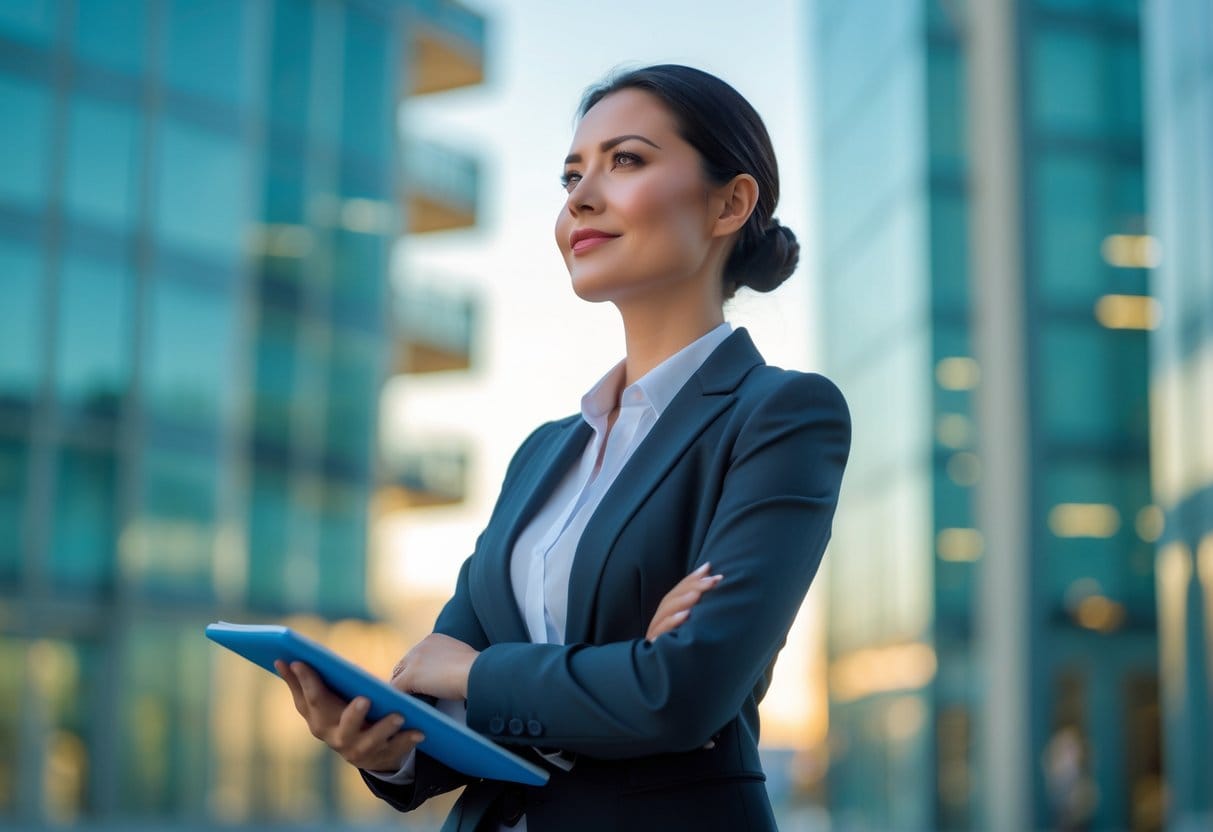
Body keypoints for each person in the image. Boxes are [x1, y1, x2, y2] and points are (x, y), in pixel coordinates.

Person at [275, 64, 850, 831]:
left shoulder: (780, 414)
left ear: (729, 203)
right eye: (571, 173)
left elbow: (677, 696)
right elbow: (446, 696)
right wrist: (390, 749)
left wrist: (483, 673)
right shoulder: (544, 454)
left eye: (627, 160)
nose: (579, 196)